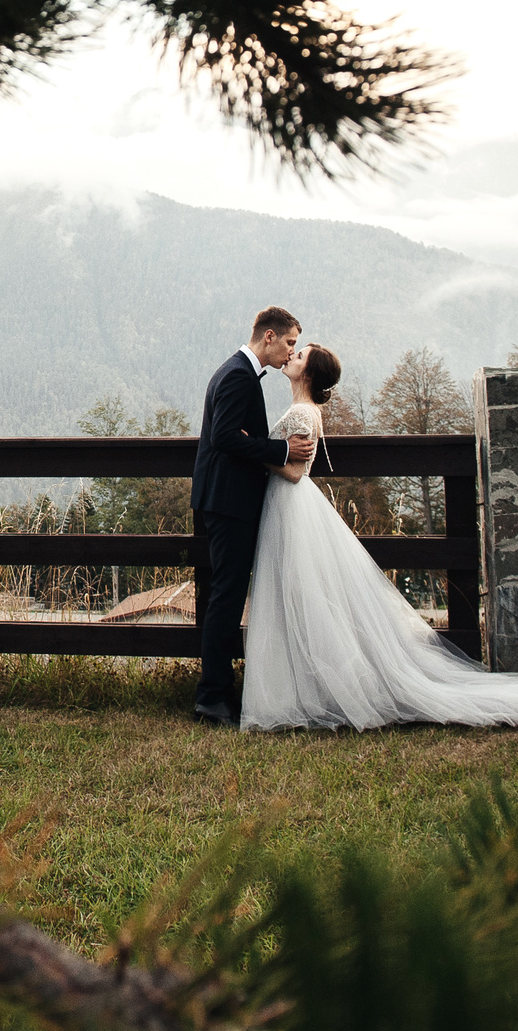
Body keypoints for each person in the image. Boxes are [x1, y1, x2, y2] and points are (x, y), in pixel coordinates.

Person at [240, 342, 518, 731]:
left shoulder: (302, 411)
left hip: (292, 507)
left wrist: (253, 449)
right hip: (292, 509)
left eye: (300, 356)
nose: (292, 357)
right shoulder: (307, 409)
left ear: (309, 374)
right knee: (301, 597)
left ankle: (303, 693)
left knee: (298, 595)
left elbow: (295, 472)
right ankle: (306, 688)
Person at [189, 306, 314, 727]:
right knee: (225, 597)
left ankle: (219, 691)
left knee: (225, 595)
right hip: (228, 502)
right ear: (269, 337)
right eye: (290, 342)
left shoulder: (236, 371)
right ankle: (211, 697)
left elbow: (232, 437)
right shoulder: (239, 376)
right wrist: (281, 451)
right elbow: (224, 437)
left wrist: (256, 443)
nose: (290, 351)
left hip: (226, 499)